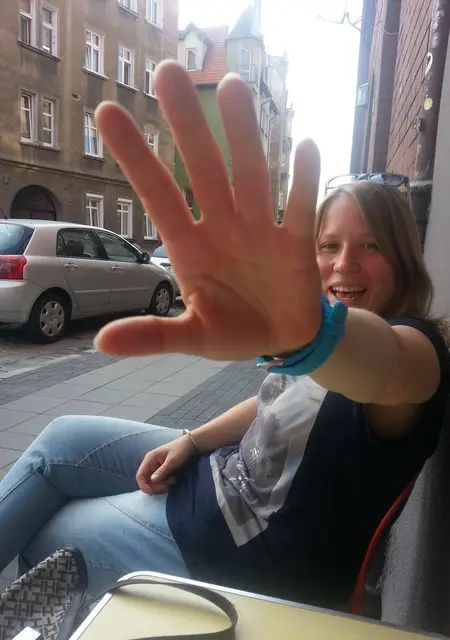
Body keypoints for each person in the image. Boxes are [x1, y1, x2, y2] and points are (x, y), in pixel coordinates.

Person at [0, 61, 448, 610]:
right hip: (219, 480)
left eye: (370, 246)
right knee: (60, 441)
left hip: (233, 553)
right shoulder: (329, 332)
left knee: (51, 534)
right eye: (329, 246)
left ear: (402, 256)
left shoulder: (416, 350)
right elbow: (272, 403)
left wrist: (309, 335)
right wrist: (192, 440)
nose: (343, 264)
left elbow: (386, 365)